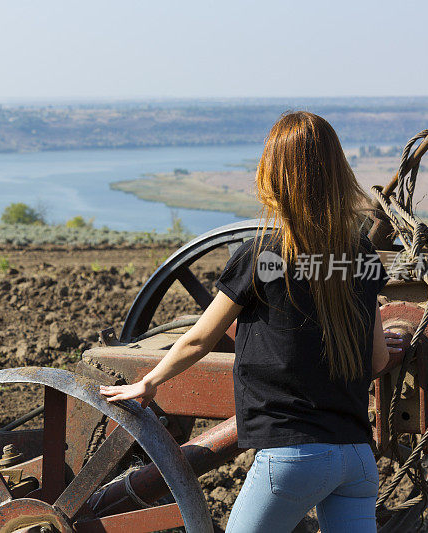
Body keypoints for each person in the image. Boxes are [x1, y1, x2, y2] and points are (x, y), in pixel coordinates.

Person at [99, 111, 405, 533]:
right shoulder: (362, 257)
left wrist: (149, 382)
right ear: (337, 173)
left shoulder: (263, 254)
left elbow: (199, 339)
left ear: (275, 176)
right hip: (356, 459)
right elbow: (374, 361)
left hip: (293, 458)